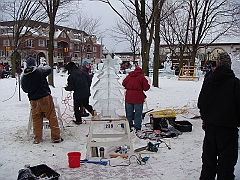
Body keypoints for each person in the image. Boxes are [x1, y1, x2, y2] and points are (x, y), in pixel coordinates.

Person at [198, 52, 240, 180]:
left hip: (211, 128)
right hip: (228, 129)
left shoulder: (209, 81)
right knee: (226, 165)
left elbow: (201, 103)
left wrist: (206, 119)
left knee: (208, 163)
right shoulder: (235, 83)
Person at [21, 57, 62, 144]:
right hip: (45, 98)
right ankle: (56, 137)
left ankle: (37, 138)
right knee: (52, 117)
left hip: (33, 100)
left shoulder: (24, 77)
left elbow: (25, 89)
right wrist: (44, 64)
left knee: (36, 120)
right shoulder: (39, 71)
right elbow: (49, 69)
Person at [122, 66, 150, 132]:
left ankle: (128, 125)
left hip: (128, 97)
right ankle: (137, 127)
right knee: (138, 113)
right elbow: (146, 87)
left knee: (129, 113)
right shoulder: (141, 77)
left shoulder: (129, 76)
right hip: (138, 97)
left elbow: (123, 83)